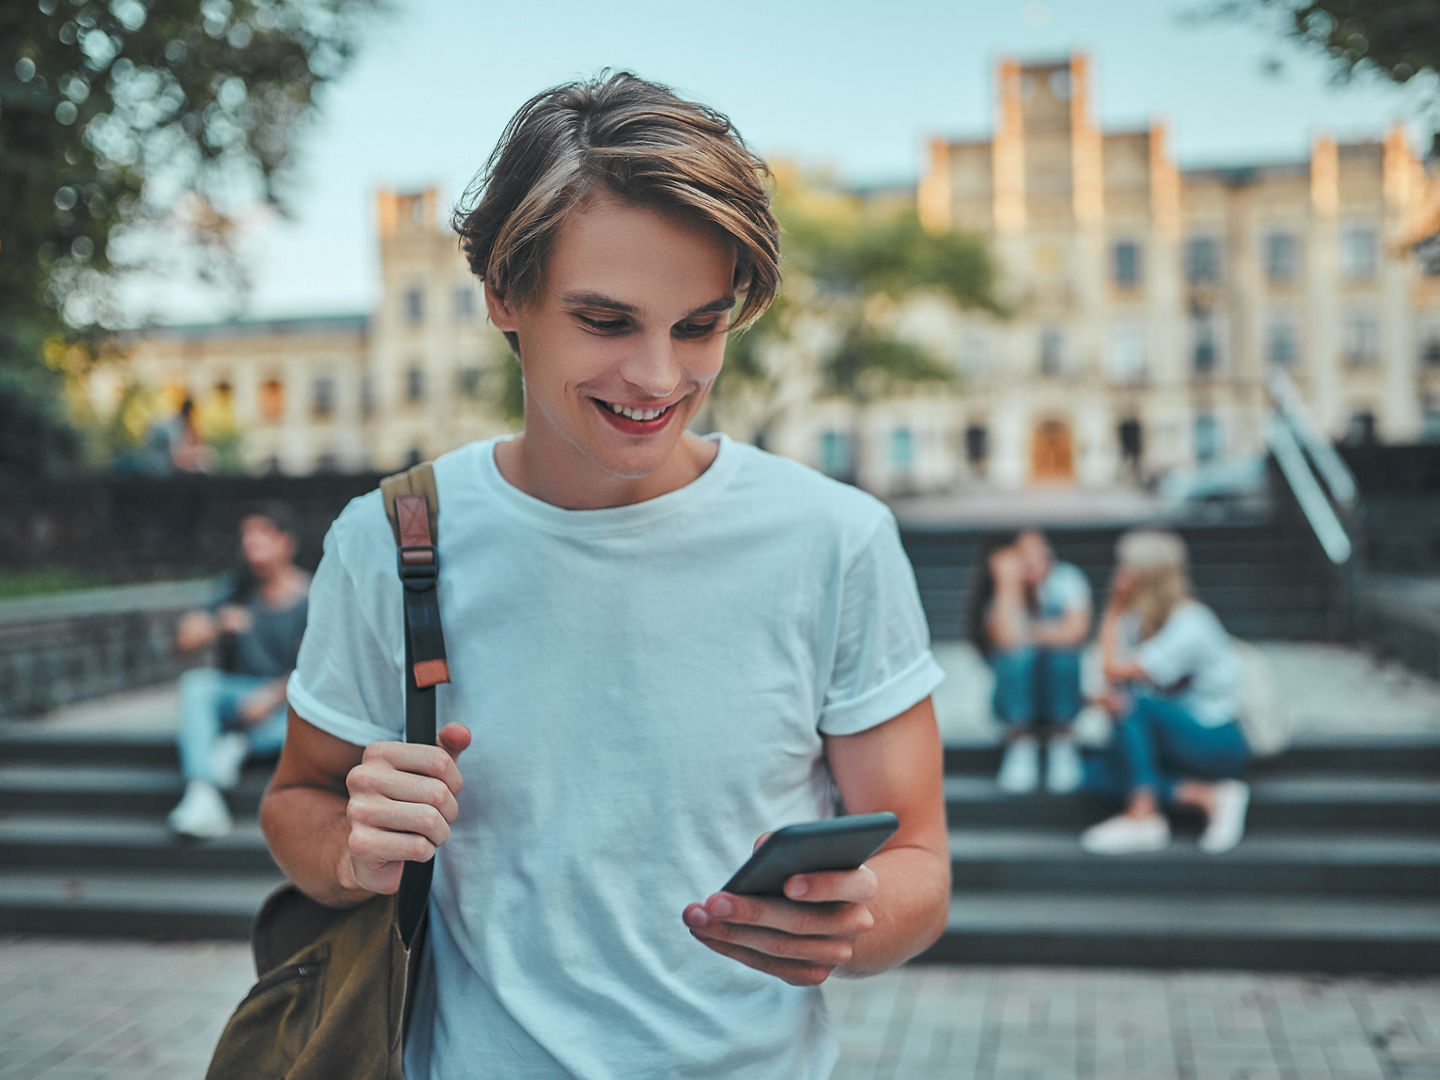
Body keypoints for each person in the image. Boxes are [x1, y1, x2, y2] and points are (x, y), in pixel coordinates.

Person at [264, 71, 951, 1079]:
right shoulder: (393, 536)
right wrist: (351, 850)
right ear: (505, 295)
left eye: (699, 326)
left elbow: (920, 864)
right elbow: (297, 802)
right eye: (606, 321)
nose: (660, 378)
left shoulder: (834, 539)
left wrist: (855, 920)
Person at [1079, 527, 1251, 855]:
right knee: (1094, 775)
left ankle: (1143, 815)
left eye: (1125, 567)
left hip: (1217, 739)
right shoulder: (1137, 621)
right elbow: (1109, 678)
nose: (1119, 576)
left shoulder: (1191, 623)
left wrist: (1114, 606)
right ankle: (1207, 796)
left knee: (1133, 706)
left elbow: (1114, 669)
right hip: (1171, 740)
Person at [166, 503, 310, 839]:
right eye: (246, 535)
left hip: (286, 699)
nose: (250, 543)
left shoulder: (313, 595)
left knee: (311, 716)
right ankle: (203, 792)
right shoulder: (236, 589)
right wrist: (217, 624)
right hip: (238, 694)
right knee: (196, 685)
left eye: (262, 534)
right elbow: (183, 641)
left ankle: (239, 744)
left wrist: (273, 695)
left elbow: (320, 671)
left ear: (286, 542)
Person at [967, 529, 1091, 794]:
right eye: (1025, 554)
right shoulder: (1004, 591)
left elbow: (1076, 632)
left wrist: (1030, 633)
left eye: (1041, 552)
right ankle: (1020, 742)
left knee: (1061, 654)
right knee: (1018, 656)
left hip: (1057, 692)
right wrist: (1008, 584)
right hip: (1015, 699)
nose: (1034, 560)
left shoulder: (1067, 579)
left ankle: (1061, 741)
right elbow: (1005, 638)